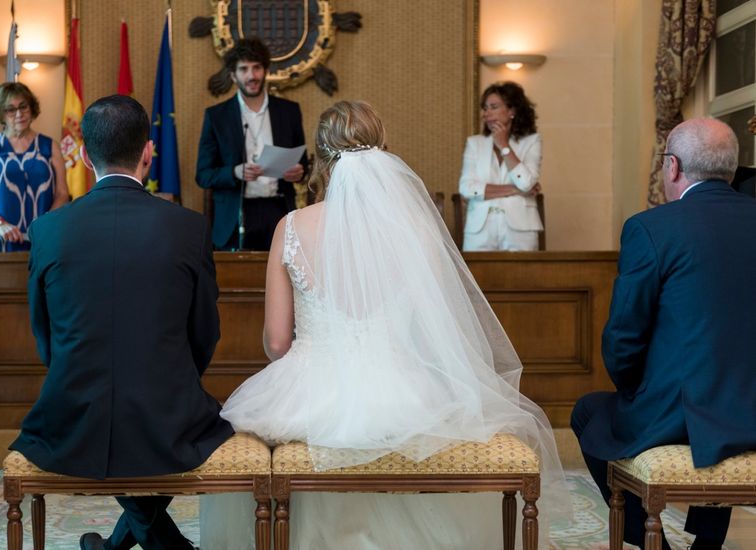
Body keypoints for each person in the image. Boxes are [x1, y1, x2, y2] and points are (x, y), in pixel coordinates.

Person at [200, 101, 569, 549]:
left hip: (312, 388)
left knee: (246, 433)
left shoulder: (293, 226)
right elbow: (430, 330)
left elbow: (277, 343)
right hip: (405, 386)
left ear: (322, 157)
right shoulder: (416, 233)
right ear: (384, 150)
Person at [10, 94, 233, 550]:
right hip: (168, 416)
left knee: (115, 428)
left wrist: (79, 375)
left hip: (70, 415)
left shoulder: (47, 230)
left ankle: (110, 547)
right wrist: (166, 380)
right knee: (201, 425)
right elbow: (205, 332)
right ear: (148, 152)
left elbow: (44, 335)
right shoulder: (189, 228)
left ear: (86, 157)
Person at [572, 118, 756, 550]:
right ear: (731, 168)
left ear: (672, 167)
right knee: (723, 399)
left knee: (587, 411)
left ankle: (655, 544)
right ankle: (707, 544)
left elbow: (623, 339)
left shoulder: (652, 228)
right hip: (749, 408)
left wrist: (637, 391)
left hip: (683, 412)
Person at [196, 37, 309, 251]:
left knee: (281, 280)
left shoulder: (289, 111)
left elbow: (302, 162)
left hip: (279, 210)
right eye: (244, 69)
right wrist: (235, 172)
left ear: (265, 70)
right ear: (233, 75)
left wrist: (299, 171)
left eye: (256, 68)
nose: (251, 75)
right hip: (236, 215)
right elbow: (203, 175)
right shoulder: (216, 116)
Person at [0, 82, 68, 252]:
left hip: (41, 238)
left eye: (23, 107)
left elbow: (62, 194)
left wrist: (43, 226)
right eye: (10, 109)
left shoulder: (50, 146)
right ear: (0, 113)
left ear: (32, 108)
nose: (19, 114)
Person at [458, 81, 543, 251]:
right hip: (479, 232)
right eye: (485, 108)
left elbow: (526, 183)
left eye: (493, 107)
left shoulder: (531, 142)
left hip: (520, 230)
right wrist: (515, 191)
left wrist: (504, 145)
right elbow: (466, 188)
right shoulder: (475, 143)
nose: (486, 113)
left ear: (512, 110)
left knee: (522, 276)